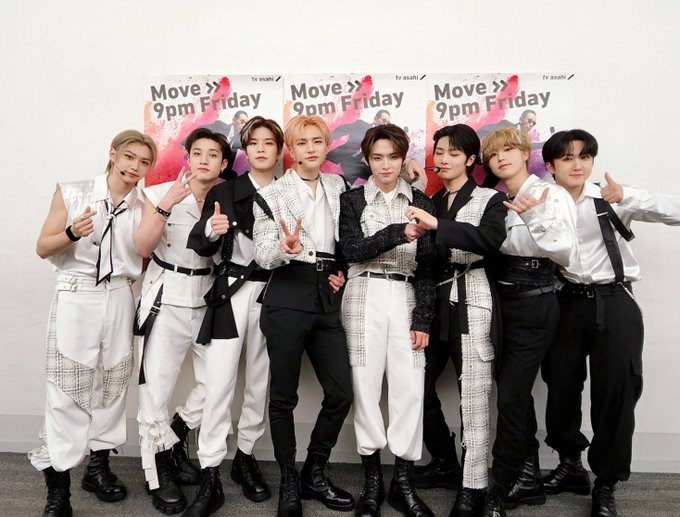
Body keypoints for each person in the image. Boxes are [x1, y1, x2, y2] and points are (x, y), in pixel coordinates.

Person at [540, 129, 680, 517]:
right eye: (567, 158)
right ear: (550, 166)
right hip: (565, 301)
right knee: (560, 386)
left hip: (615, 300)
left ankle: (606, 482)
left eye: (584, 157)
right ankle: (570, 464)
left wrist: (628, 197)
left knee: (617, 392)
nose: (578, 165)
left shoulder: (611, 197)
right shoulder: (544, 201)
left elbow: (676, 211)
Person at [30, 130, 157, 517]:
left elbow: (146, 253)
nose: (135, 167)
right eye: (130, 157)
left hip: (120, 294)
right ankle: (59, 489)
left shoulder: (144, 205)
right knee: (66, 385)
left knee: (114, 381)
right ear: (113, 154)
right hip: (76, 291)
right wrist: (72, 232)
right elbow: (42, 247)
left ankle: (97, 468)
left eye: (144, 162)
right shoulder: (73, 192)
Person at [252, 115, 354, 517]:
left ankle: (314, 470)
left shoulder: (339, 186)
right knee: (283, 396)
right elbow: (263, 254)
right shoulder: (272, 194)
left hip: (326, 296)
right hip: (286, 294)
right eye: (302, 142)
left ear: (327, 146)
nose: (310, 149)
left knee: (341, 393)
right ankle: (289, 479)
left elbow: (346, 240)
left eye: (317, 141)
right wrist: (286, 248)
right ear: (290, 150)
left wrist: (340, 270)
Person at [184, 117, 284, 515]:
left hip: (274, 294)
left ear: (279, 151)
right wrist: (212, 229)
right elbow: (199, 243)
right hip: (229, 293)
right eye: (253, 143)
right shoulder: (225, 190)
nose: (260, 149)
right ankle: (210, 472)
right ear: (245, 149)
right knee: (219, 383)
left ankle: (245, 457)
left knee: (260, 382)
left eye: (268, 143)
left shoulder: (290, 191)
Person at [408, 124, 507, 516]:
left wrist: (438, 227)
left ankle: (473, 485)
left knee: (474, 394)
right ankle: (445, 461)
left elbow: (491, 241)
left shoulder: (489, 199)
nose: (444, 159)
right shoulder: (430, 200)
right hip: (433, 304)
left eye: (453, 152)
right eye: (439, 152)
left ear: (470, 159)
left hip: (472, 299)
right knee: (415, 384)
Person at [134, 127, 233, 514]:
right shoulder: (160, 193)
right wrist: (166, 205)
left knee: (215, 385)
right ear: (187, 157)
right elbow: (142, 247)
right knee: (155, 389)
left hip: (207, 298)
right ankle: (157, 472)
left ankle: (174, 436)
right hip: (166, 296)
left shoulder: (226, 199)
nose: (204, 159)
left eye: (213, 154)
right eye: (198, 152)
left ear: (223, 165)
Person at [338, 124, 436, 517]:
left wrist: (423, 318)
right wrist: (398, 232)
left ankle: (403, 484)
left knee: (410, 387)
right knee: (365, 387)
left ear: (403, 158)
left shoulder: (422, 201)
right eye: (377, 157)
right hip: (363, 294)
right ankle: (373, 484)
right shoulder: (352, 199)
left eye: (393, 157)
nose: (385, 165)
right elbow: (351, 250)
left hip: (407, 295)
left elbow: (429, 264)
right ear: (367, 159)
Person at [479, 127, 577, 517]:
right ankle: (528, 475)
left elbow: (565, 251)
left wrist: (533, 215)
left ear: (525, 154)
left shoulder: (550, 195)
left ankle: (501, 484)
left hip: (536, 300)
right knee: (514, 394)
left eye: (509, 149)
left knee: (511, 397)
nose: (501, 157)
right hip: (502, 302)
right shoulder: (496, 201)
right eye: (493, 154)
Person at [327, 109, 392, 185]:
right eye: (383, 120)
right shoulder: (361, 125)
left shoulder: (383, 140)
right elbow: (343, 129)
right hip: (343, 156)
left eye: (387, 122)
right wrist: (330, 138)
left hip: (358, 164)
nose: (385, 124)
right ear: (375, 119)